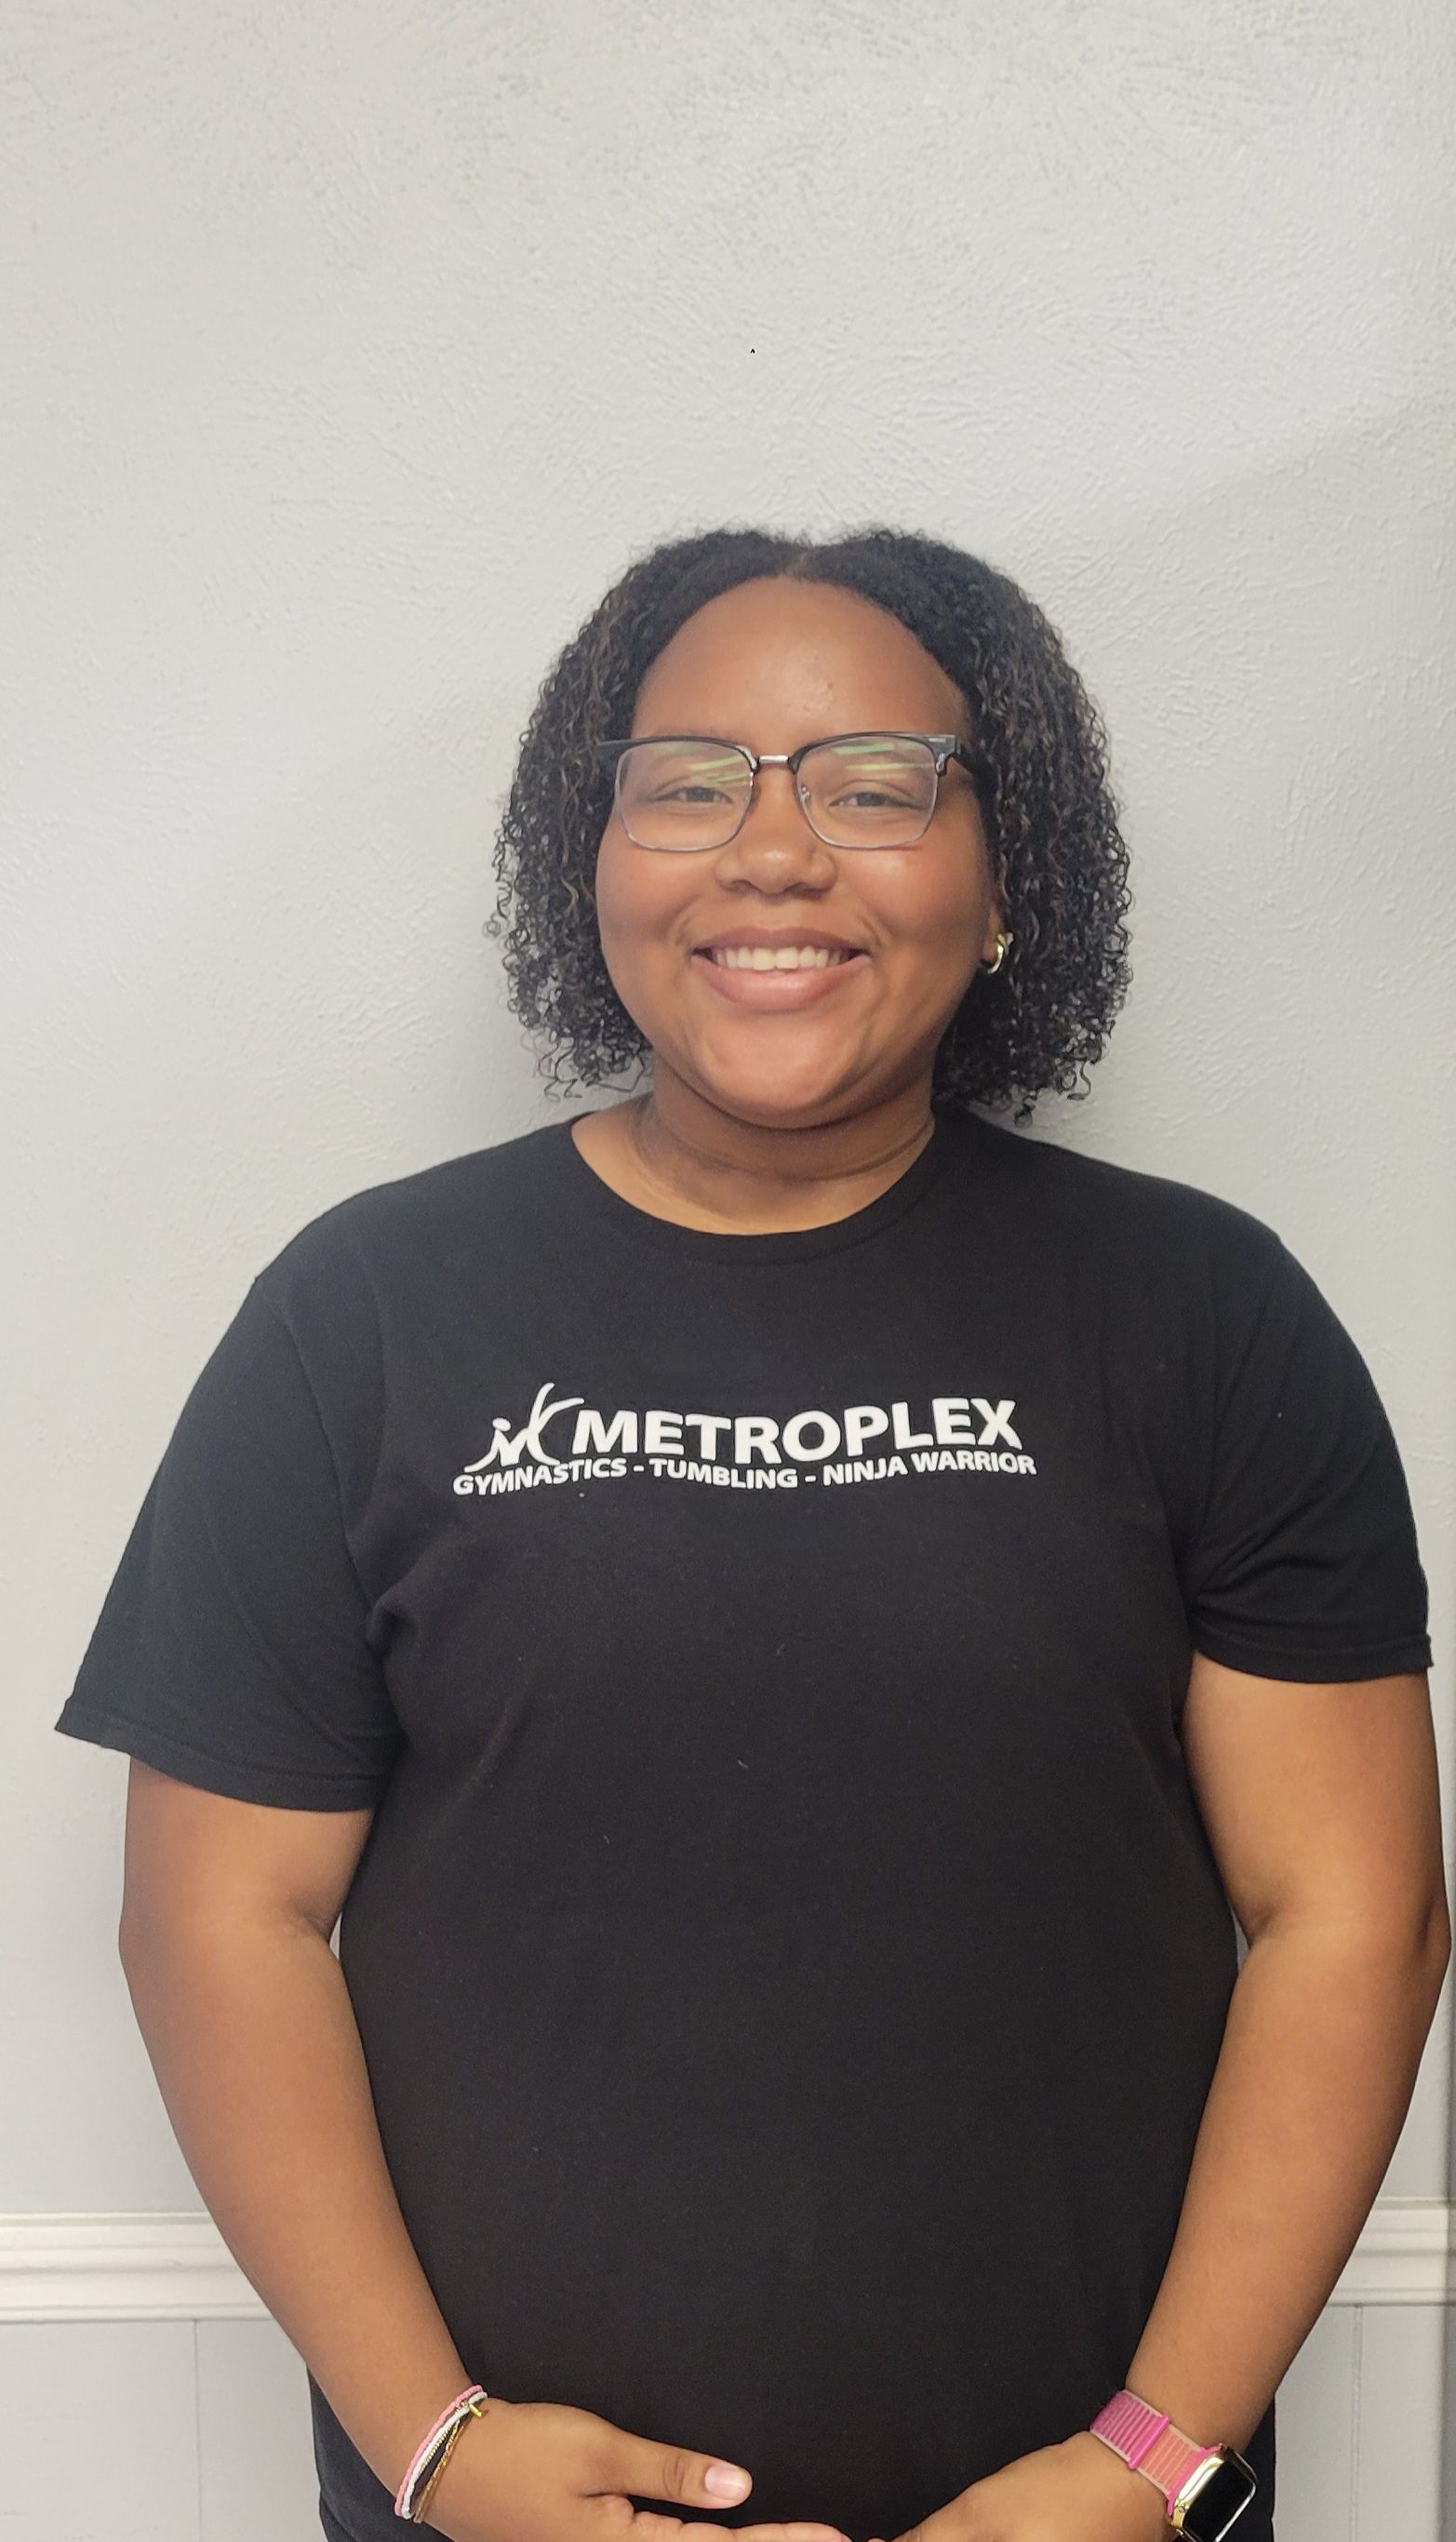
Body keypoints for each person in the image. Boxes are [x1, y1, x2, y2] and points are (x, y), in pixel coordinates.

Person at [57, 525, 1448, 2542]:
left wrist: (1144, 2468)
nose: (773, 853)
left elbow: (1357, 1915)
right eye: (688, 782)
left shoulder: (1201, 1315)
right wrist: (439, 2448)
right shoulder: (357, 1316)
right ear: (590, 857)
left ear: (1005, 872)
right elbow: (217, 1920)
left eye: (877, 784)